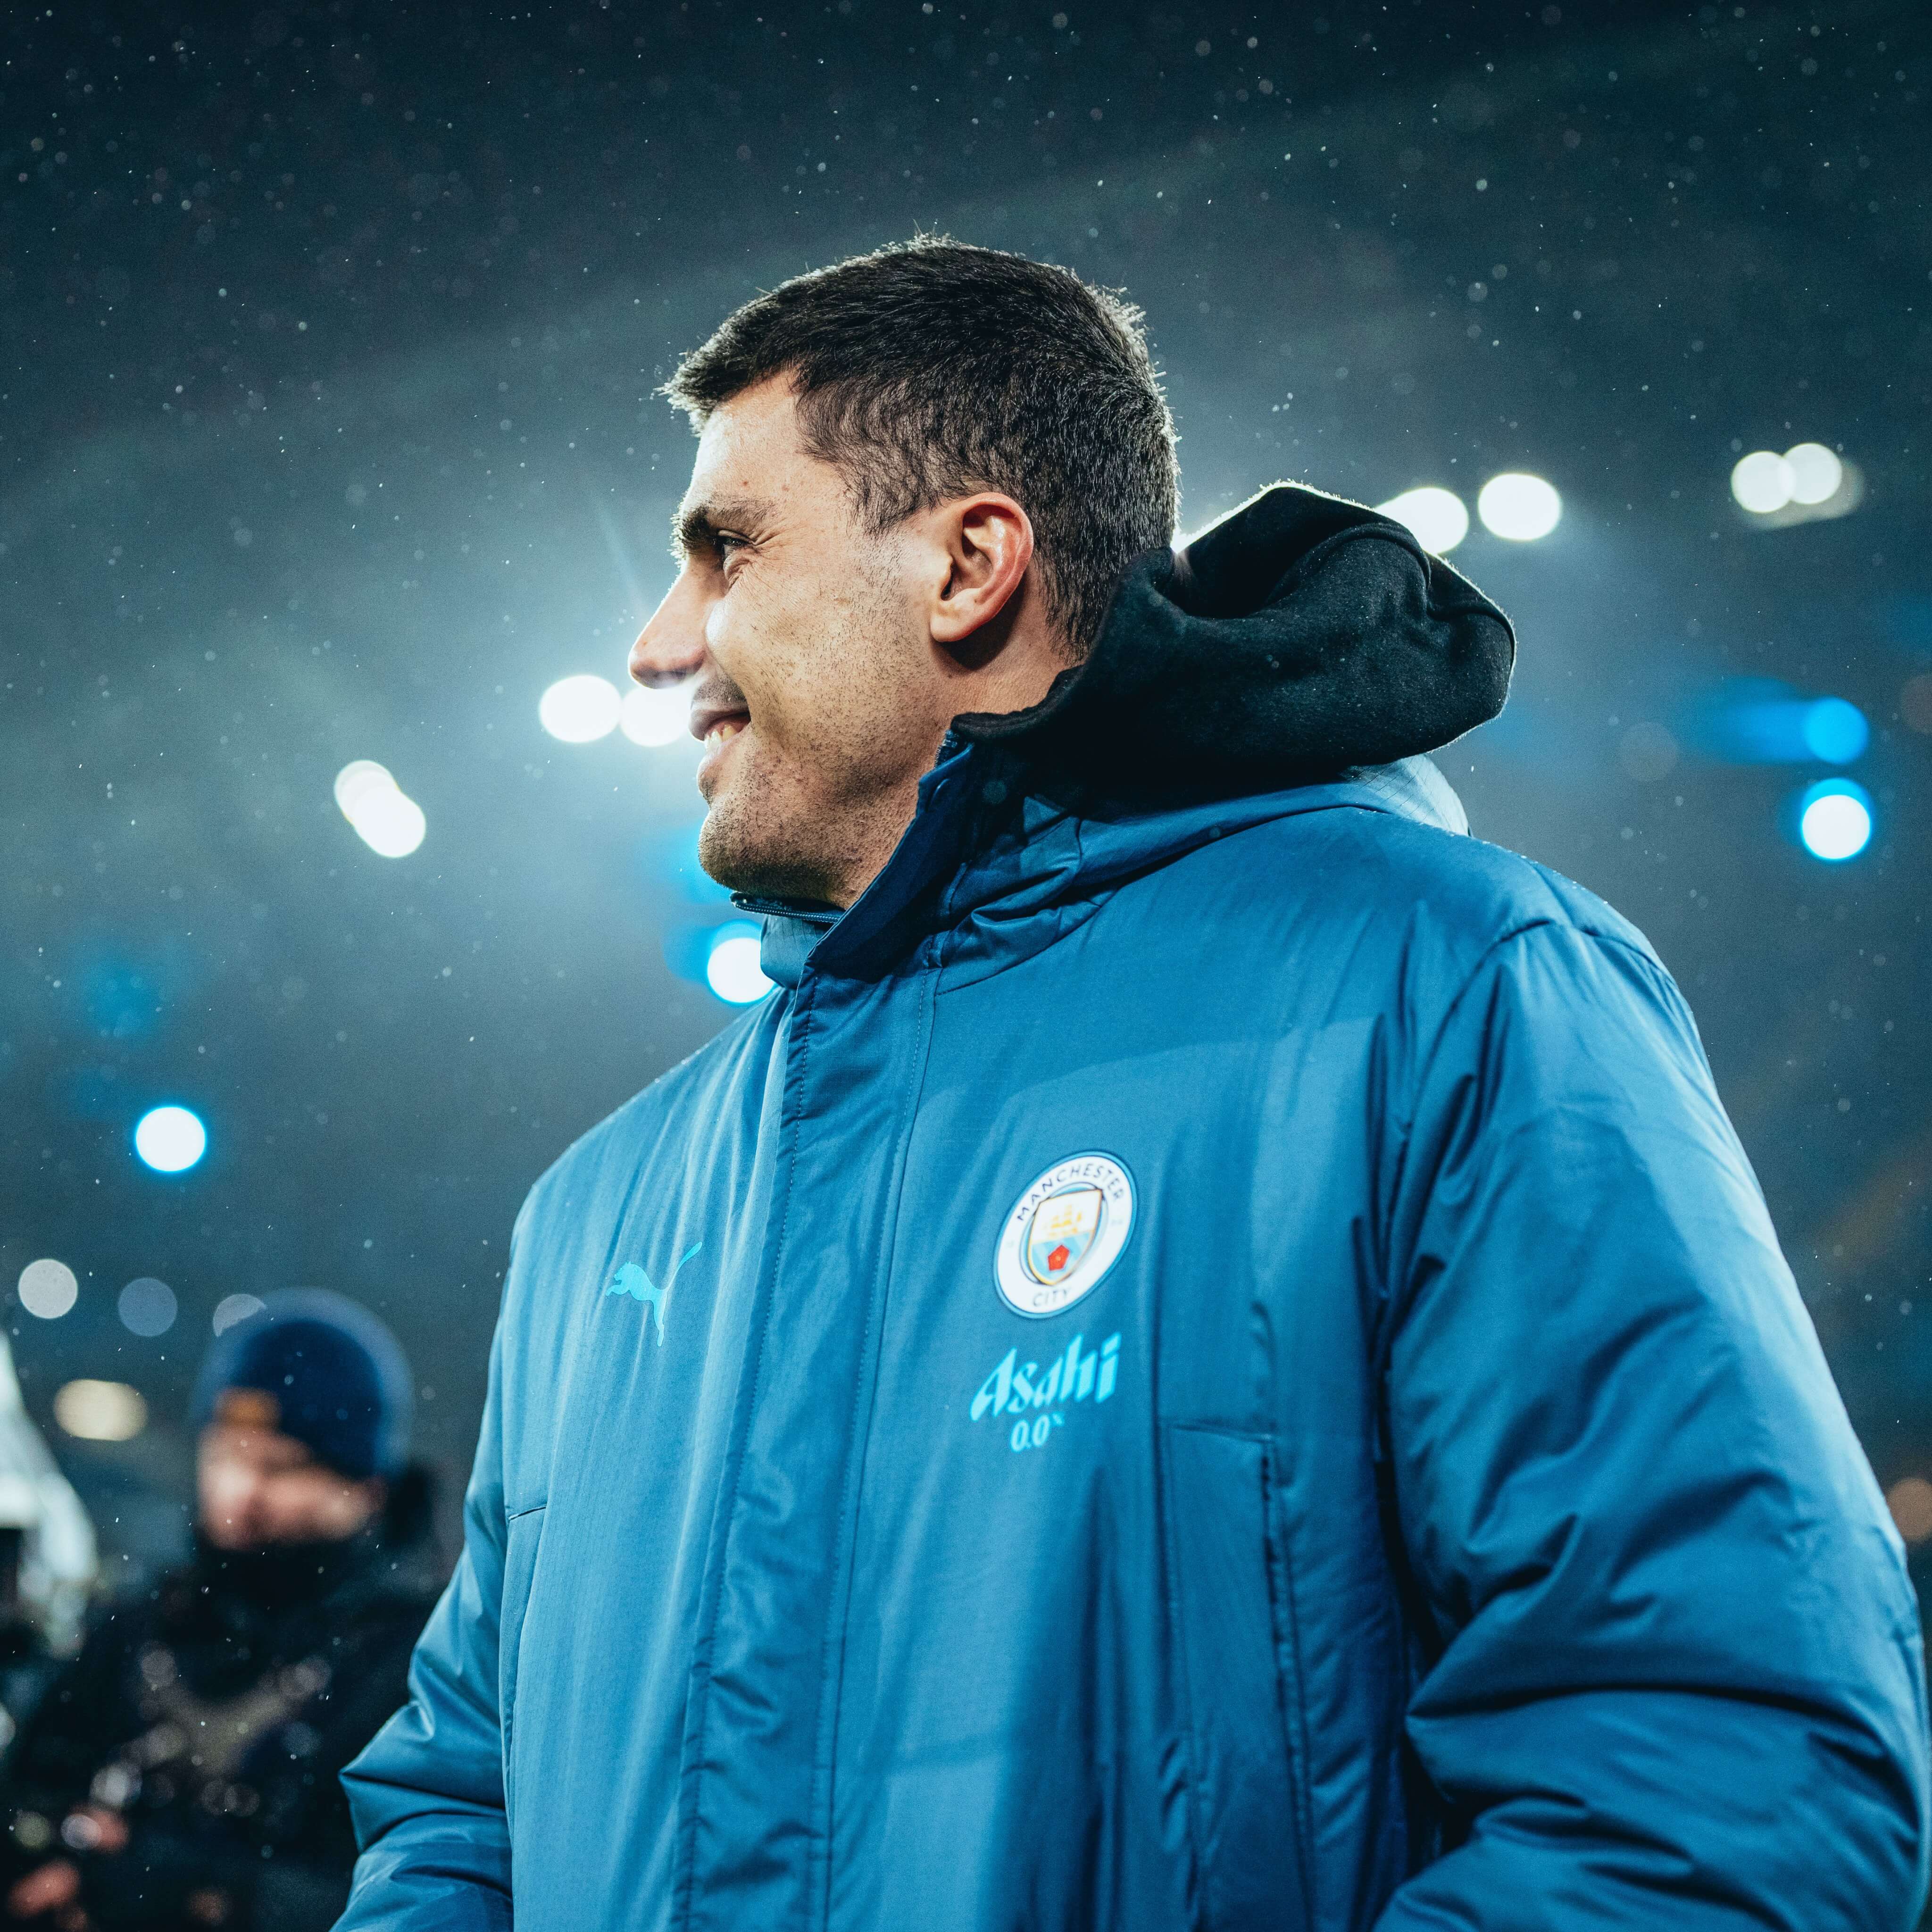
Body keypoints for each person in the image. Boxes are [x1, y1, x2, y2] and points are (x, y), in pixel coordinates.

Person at [340, 241, 1928, 1930]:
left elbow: (1719, 1776)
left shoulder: (1444, 991)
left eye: (724, 547)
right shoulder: (604, 1209)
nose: (661, 644)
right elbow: (460, 1811)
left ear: (967, 563)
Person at [5, 1291, 442, 1932]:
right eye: (227, 1455)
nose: (245, 1491)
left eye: (284, 1466)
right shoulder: (141, 1625)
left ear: (367, 1489)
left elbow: (414, 1890)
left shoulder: (417, 1663)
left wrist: (186, 1890)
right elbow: (31, 1793)